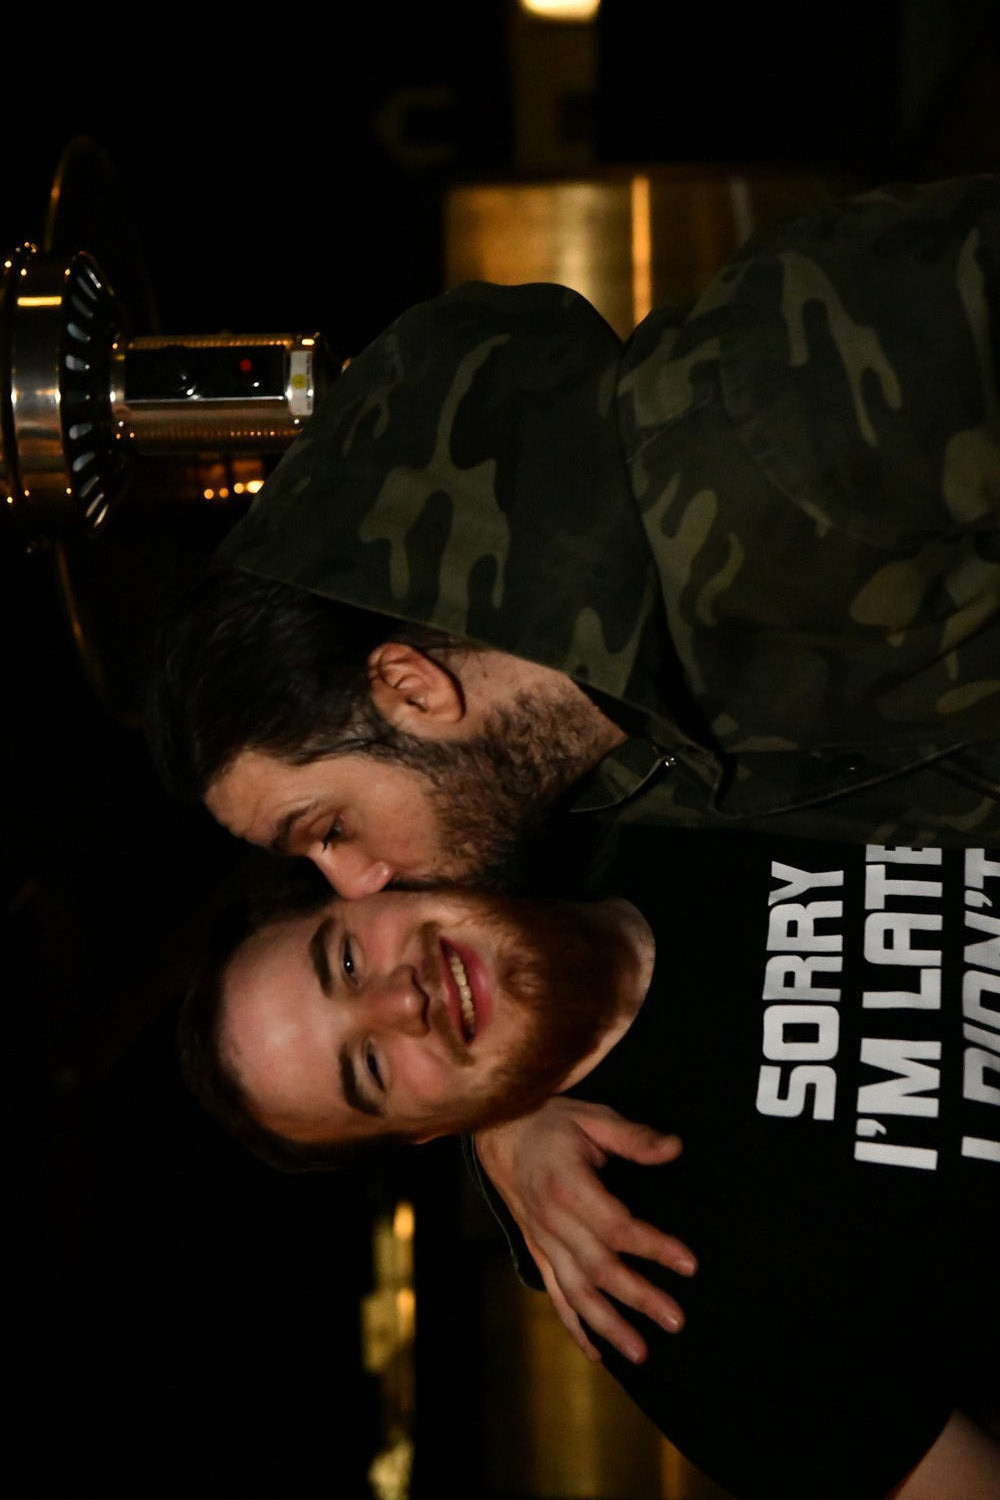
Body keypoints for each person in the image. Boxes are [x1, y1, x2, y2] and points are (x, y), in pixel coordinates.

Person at [147, 172, 1000, 903]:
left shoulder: (769, 406)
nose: (358, 884)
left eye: (329, 829)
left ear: (410, 688)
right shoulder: (630, 767)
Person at [177, 829, 1000, 1499]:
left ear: (371, 885)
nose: (403, 1001)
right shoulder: (667, 1297)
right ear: (425, 1134)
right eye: (371, 1068)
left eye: (348, 961)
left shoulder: (649, 782)